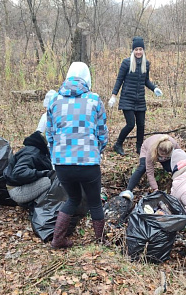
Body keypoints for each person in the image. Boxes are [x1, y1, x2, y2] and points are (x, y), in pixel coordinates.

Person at [46, 61, 108, 248]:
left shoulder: (54, 100)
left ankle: (58, 240)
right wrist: (98, 151)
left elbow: (50, 134)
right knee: (95, 202)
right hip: (88, 162)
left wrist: (56, 156)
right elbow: (102, 133)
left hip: (62, 164)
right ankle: (101, 242)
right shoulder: (94, 99)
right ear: (87, 78)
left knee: (72, 198)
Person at [108, 36, 162, 156]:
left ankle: (140, 148)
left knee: (141, 124)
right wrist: (113, 95)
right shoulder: (126, 63)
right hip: (127, 98)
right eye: (136, 49)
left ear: (143, 50)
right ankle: (118, 144)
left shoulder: (146, 64)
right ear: (133, 50)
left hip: (140, 99)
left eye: (140, 49)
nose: (138, 52)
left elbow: (146, 80)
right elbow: (119, 80)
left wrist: (154, 88)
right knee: (131, 124)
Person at [119, 134, 179, 200]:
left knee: (171, 167)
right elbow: (150, 171)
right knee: (143, 167)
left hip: (165, 153)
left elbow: (182, 159)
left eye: (166, 156)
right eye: (162, 155)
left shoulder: (174, 145)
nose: (164, 157)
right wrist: (155, 189)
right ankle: (128, 190)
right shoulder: (151, 149)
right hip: (147, 149)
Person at [3, 131, 54, 208]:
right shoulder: (31, 153)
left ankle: (33, 203)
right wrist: (43, 173)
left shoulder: (38, 151)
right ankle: (37, 206)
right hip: (17, 191)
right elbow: (19, 172)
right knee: (55, 179)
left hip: (22, 186)